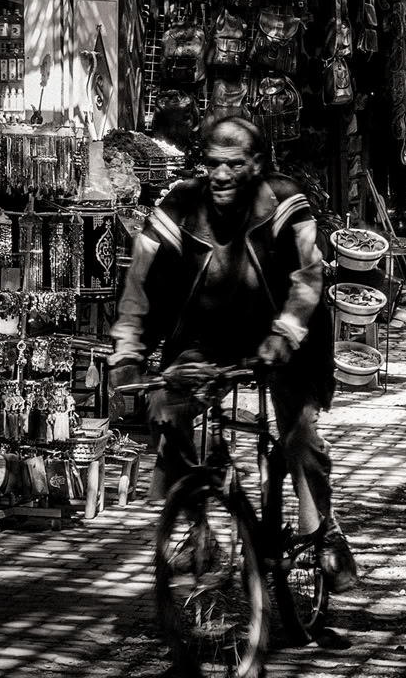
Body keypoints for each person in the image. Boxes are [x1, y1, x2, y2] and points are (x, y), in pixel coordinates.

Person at [109, 116, 358, 593]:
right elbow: (139, 284)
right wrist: (127, 351)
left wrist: (284, 334)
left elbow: (308, 278)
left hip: (287, 336)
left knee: (299, 432)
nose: (221, 175)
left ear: (257, 165)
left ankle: (323, 529)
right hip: (209, 338)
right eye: (213, 164)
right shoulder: (179, 205)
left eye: (235, 164)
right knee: (166, 406)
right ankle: (198, 524)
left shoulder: (286, 200)